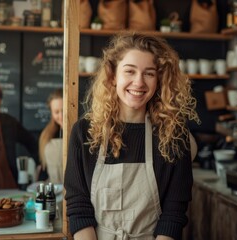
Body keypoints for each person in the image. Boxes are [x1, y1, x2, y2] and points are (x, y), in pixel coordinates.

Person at [64, 32, 200, 240]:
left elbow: (173, 214)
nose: (139, 82)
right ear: (112, 77)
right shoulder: (85, 132)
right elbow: (78, 207)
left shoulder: (174, 136)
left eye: (149, 73)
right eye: (130, 71)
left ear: (159, 81)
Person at [38, 88, 63, 184]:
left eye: (63, 110)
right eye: (56, 112)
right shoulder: (46, 135)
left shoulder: (79, 133)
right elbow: (43, 169)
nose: (61, 116)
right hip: (54, 192)